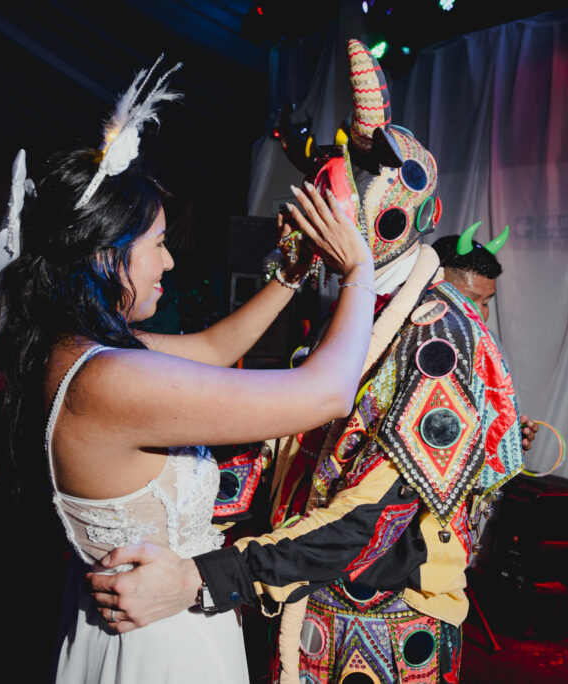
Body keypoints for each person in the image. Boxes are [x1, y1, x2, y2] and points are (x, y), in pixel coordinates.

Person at [88, 41, 527, 684]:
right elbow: (287, 445)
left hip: (385, 623)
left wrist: (208, 576)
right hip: (308, 600)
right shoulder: (358, 311)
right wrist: (171, 518)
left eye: (330, 208)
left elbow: (372, 519)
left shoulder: (441, 337)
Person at [0, 58, 375, 683]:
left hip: (132, 617)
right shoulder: (107, 380)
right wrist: (359, 272)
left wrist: (291, 273)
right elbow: (326, 393)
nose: (169, 262)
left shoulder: (72, 349)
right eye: (158, 243)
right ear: (106, 256)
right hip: (159, 643)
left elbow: (215, 347)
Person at [433, 223, 537, 451]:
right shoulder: (405, 339)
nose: (481, 314)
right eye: (470, 300)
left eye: (487, 302)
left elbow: (506, 409)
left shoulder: (491, 343)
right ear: (433, 287)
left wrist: (514, 434)